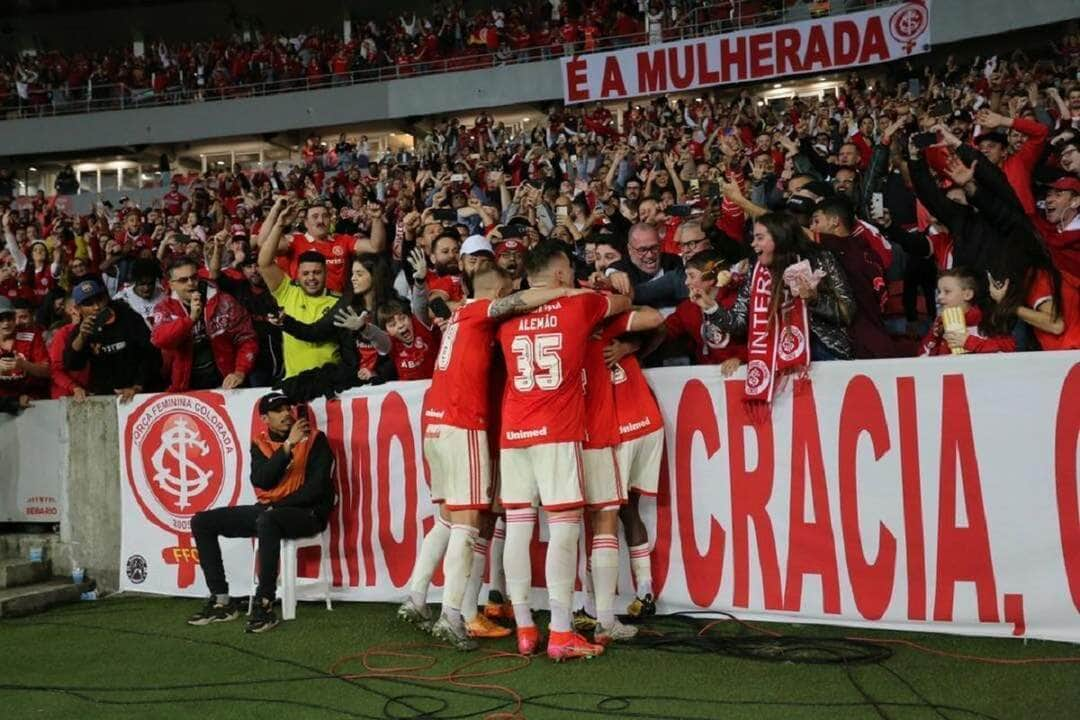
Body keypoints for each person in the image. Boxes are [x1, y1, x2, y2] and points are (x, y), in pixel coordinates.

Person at [400, 265, 594, 648]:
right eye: (507, 293)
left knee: (449, 515)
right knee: (470, 522)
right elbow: (521, 300)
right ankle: (452, 615)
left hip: (435, 421)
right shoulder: (479, 310)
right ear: (498, 291)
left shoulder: (458, 314)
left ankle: (417, 594)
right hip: (462, 421)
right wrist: (565, 293)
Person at [497, 239, 630, 661]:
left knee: (518, 527)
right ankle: (559, 631)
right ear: (559, 273)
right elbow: (625, 302)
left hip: (514, 430)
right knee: (564, 527)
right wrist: (606, 282)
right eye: (568, 272)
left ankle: (523, 629)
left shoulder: (507, 316)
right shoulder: (580, 305)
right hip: (557, 430)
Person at [188, 392, 335, 634]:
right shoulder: (260, 443)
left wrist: (276, 507)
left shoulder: (316, 440)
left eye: (288, 408)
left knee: (268, 519)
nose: (286, 413)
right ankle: (221, 600)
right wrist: (288, 447)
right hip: (269, 511)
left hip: (307, 514)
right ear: (265, 418)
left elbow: (317, 489)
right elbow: (262, 480)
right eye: (278, 410)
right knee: (202, 521)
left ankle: (265, 604)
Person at [703, 213, 854, 404]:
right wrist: (712, 308)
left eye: (760, 238)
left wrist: (815, 300)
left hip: (824, 355)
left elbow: (847, 312)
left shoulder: (820, 258)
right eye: (753, 238)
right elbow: (740, 322)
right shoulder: (755, 270)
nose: (753, 244)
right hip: (776, 365)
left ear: (779, 236)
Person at [258, 199, 341, 378]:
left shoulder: (338, 302)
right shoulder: (288, 292)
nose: (311, 278)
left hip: (332, 383)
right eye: (306, 273)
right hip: (295, 383)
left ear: (326, 273)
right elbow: (264, 262)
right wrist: (279, 224)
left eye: (317, 273)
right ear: (298, 274)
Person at [151, 257, 258, 391]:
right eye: (183, 280)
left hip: (225, 385)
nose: (191, 283)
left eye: (194, 277)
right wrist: (190, 320)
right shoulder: (165, 308)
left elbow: (247, 338)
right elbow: (160, 340)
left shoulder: (224, 302)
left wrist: (240, 371)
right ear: (172, 284)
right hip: (186, 388)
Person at [62, 278, 159, 402]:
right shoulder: (82, 329)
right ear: (78, 308)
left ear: (106, 298)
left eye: (99, 300)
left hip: (138, 393)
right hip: (106, 396)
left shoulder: (129, 317)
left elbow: (152, 354)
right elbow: (72, 364)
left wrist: (138, 386)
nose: (96, 307)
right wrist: (82, 336)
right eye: (89, 304)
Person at [661, 249, 746, 373]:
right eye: (686, 276)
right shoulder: (687, 308)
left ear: (711, 278)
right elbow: (665, 332)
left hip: (739, 375)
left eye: (692, 276)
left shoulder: (739, 302)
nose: (686, 282)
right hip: (706, 378)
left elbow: (760, 339)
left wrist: (742, 358)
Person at [274, 202, 385, 293]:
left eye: (325, 216)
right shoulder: (294, 241)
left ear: (330, 220)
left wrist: (376, 219)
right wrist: (279, 223)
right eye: (315, 217)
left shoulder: (343, 240)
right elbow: (266, 246)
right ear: (306, 223)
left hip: (337, 304)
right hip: (306, 307)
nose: (320, 221)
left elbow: (375, 247)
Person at [919, 268, 1016, 356]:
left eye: (947, 291)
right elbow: (922, 358)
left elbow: (1009, 353)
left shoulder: (988, 321)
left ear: (968, 294)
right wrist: (934, 339)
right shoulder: (939, 324)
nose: (939, 297)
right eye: (939, 292)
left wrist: (969, 342)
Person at [0, 296, 49, 402]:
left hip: (32, 400)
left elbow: (47, 371)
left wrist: (24, 364)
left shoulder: (31, 335)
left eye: (9, 317)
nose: (6, 323)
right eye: (0, 319)